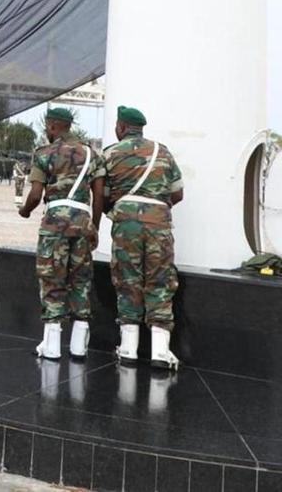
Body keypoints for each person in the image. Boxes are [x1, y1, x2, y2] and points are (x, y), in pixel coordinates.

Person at [101, 105, 183, 370]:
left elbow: (102, 195)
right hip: (158, 222)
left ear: (122, 127)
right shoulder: (163, 152)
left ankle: (128, 349)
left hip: (126, 226)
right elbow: (178, 193)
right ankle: (161, 352)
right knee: (160, 281)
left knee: (127, 280)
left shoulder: (110, 154)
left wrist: (120, 210)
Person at [20, 106, 104, 361]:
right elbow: (98, 195)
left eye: (47, 127)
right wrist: (94, 226)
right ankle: (79, 347)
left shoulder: (44, 153)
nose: (47, 131)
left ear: (54, 126)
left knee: (52, 279)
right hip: (83, 223)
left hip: (55, 223)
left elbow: (35, 194)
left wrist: (25, 210)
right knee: (80, 281)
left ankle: (52, 346)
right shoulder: (92, 155)